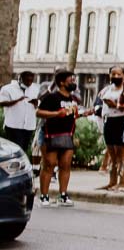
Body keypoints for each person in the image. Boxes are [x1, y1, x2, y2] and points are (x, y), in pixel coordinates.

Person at [35, 70, 85, 206]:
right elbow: (38, 112)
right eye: (71, 80)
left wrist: (83, 114)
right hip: (50, 135)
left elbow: (70, 114)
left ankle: (63, 195)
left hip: (67, 135)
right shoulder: (52, 97)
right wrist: (56, 113)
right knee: (49, 165)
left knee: (65, 165)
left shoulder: (72, 99)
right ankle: (44, 196)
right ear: (62, 82)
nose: (74, 82)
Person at [96, 67, 124, 191]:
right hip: (108, 120)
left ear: (123, 75)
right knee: (112, 154)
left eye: (118, 74)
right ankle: (112, 181)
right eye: (113, 74)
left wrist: (114, 105)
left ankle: (123, 182)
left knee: (121, 154)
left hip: (121, 120)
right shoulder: (107, 89)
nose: (115, 76)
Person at [1, 69, 38, 153]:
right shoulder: (7, 88)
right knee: (16, 150)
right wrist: (18, 100)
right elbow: (2, 103)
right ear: (20, 78)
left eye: (31, 80)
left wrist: (36, 103)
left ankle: (21, 165)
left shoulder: (35, 89)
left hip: (29, 125)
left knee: (23, 150)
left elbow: (39, 103)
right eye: (27, 80)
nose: (29, 82)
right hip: (13, 125)